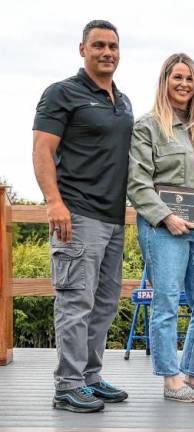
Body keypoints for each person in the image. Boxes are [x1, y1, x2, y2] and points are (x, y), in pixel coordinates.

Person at [32, 20, 132, 413]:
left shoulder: (121, 101)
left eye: (113, 46)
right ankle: (67, 385)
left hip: (113, 218)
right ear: (82, 50)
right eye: (98, 46)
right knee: (75, 301)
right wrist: (53, 202)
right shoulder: (62, 93)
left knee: (105, 302)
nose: (107, 52)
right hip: (77, 214)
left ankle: (90, 377)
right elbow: (42, 150)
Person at [127, 53, 194, 402]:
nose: (184, 84)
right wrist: (166, 217)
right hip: (163, 226)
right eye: (177, 77)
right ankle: (171, 379)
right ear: (165, 81)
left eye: (190, 78)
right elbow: (137, 183)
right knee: (167, 302)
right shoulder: (148, 126)